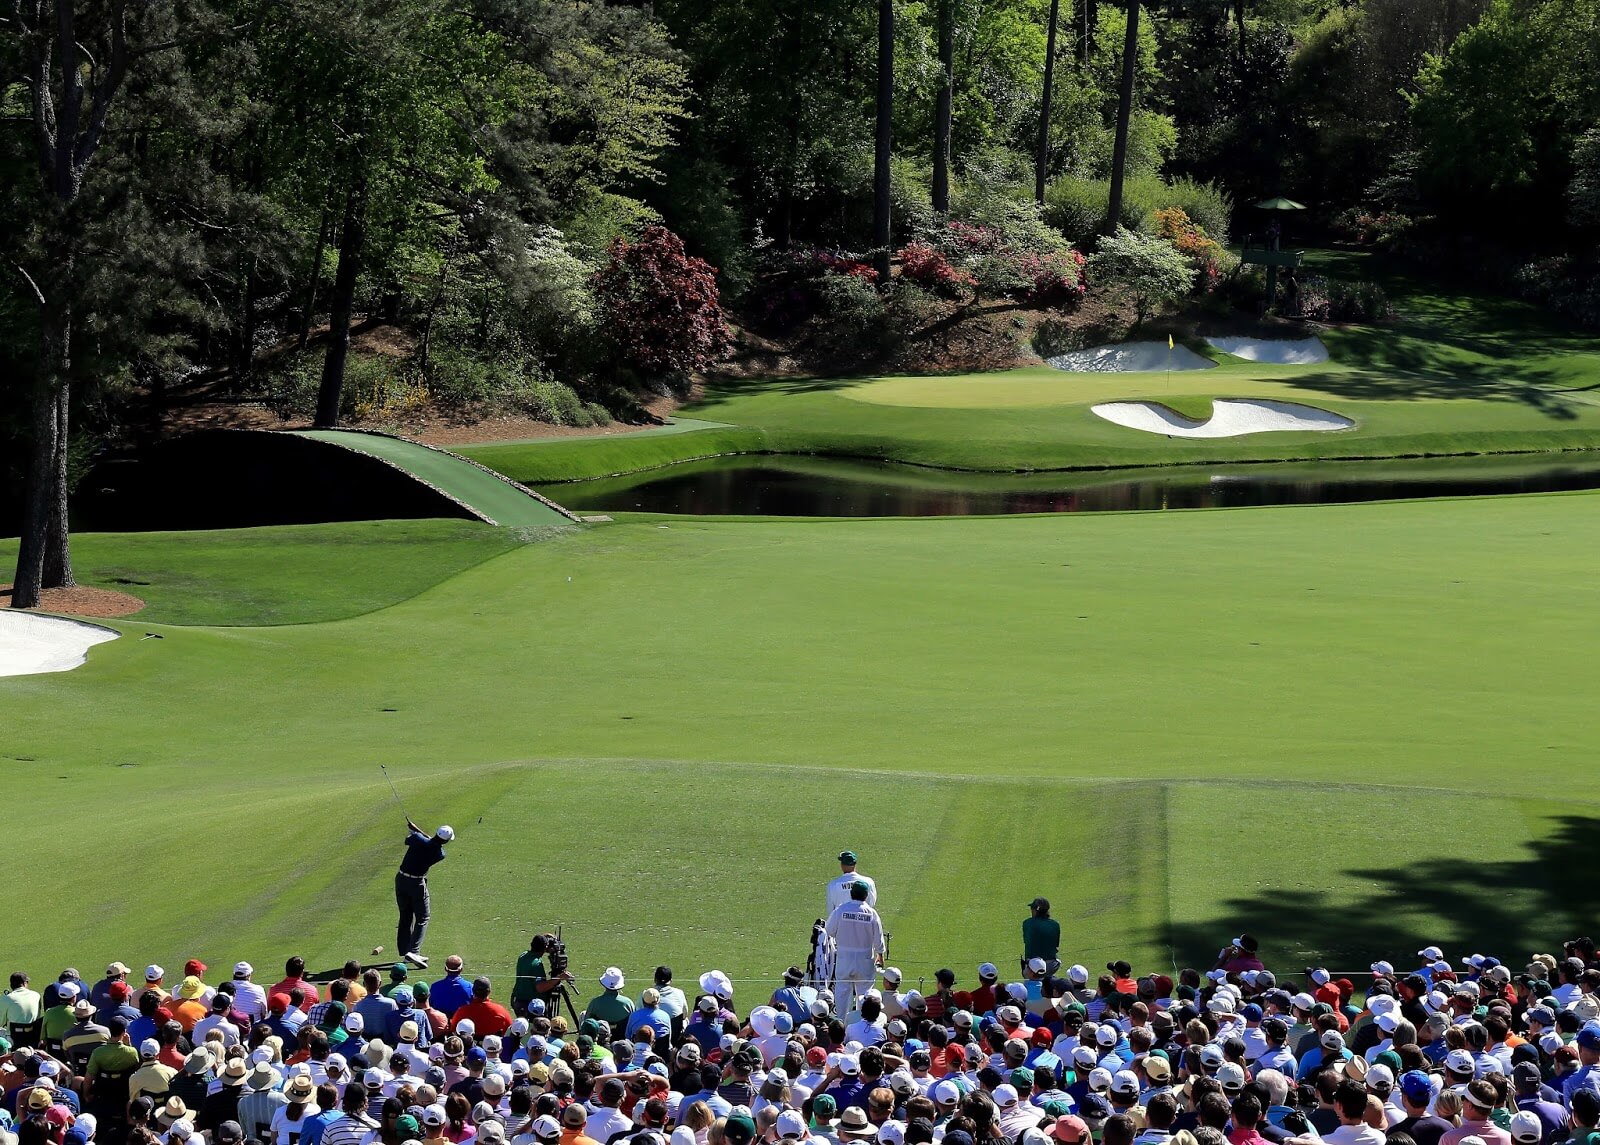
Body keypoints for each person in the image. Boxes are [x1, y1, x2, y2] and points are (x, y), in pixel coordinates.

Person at [397, 820, 456, 968]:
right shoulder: (440, 854)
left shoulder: (417, 839)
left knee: (405, 914)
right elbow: (431, 843)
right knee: (423, 917)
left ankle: (405, 951)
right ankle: (413, 951)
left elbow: (411, 840)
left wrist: (415, 831)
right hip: (417, 884)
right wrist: (418, 831)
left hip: (401, 879)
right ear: (447, 841)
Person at [825, 882, 886, 1018]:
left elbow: (829, 930)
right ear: (866, 896)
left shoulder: (841, 910)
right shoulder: (871, 913)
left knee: (842, 993)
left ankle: (841, 1022)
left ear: (851, 894)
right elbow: (878, 938)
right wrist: (880, 955)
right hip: (865, 959)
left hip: (844, 958)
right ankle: (862, 1022)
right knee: (864, 995)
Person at [1023, 901, 1061, 970]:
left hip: (1033, 967)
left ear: (1035, 911)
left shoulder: (1027, 923)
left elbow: (1026, 941)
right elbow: (1056, 945)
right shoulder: (1055, 924)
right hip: (1051, 965)